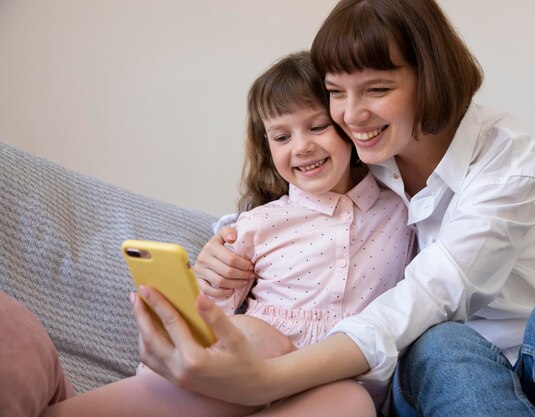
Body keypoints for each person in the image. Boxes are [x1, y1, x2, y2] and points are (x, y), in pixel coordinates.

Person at [136, 0, 535, 416]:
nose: (351, 114)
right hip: (440, 377)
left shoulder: (508, 160)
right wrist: (221, 246)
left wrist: (267, 380)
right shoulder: (360, 156)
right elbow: (294, 213)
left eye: (377, 89)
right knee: (440, 344)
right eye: (335, 92)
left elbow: (431, 294)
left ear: (430, 76)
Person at [0, 51, 413, 417]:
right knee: (260, 339)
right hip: (244, 374)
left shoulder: (402, 208)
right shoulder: (256, 225)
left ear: (346, 126)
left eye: (317, 127)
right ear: (267, 146)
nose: (301, 146)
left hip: (335, 380)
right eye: (282, 136)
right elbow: (203, 309)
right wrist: (161, 366)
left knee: (353, 404)